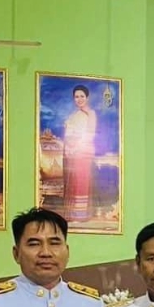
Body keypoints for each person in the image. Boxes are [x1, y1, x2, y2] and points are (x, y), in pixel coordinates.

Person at [63, 85, 97, 223]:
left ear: (87, 97)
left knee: (82, 182)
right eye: (76, 97)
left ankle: (81, 215)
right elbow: (68, 135)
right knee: (73, 182)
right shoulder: (73, 115)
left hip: (84, 152)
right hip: (72, 153)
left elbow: (90, 134)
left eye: (82, 96)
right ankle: (72, 214)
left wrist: (77, 147)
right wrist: (69, 148)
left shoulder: (91, 114)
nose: (79, 99)